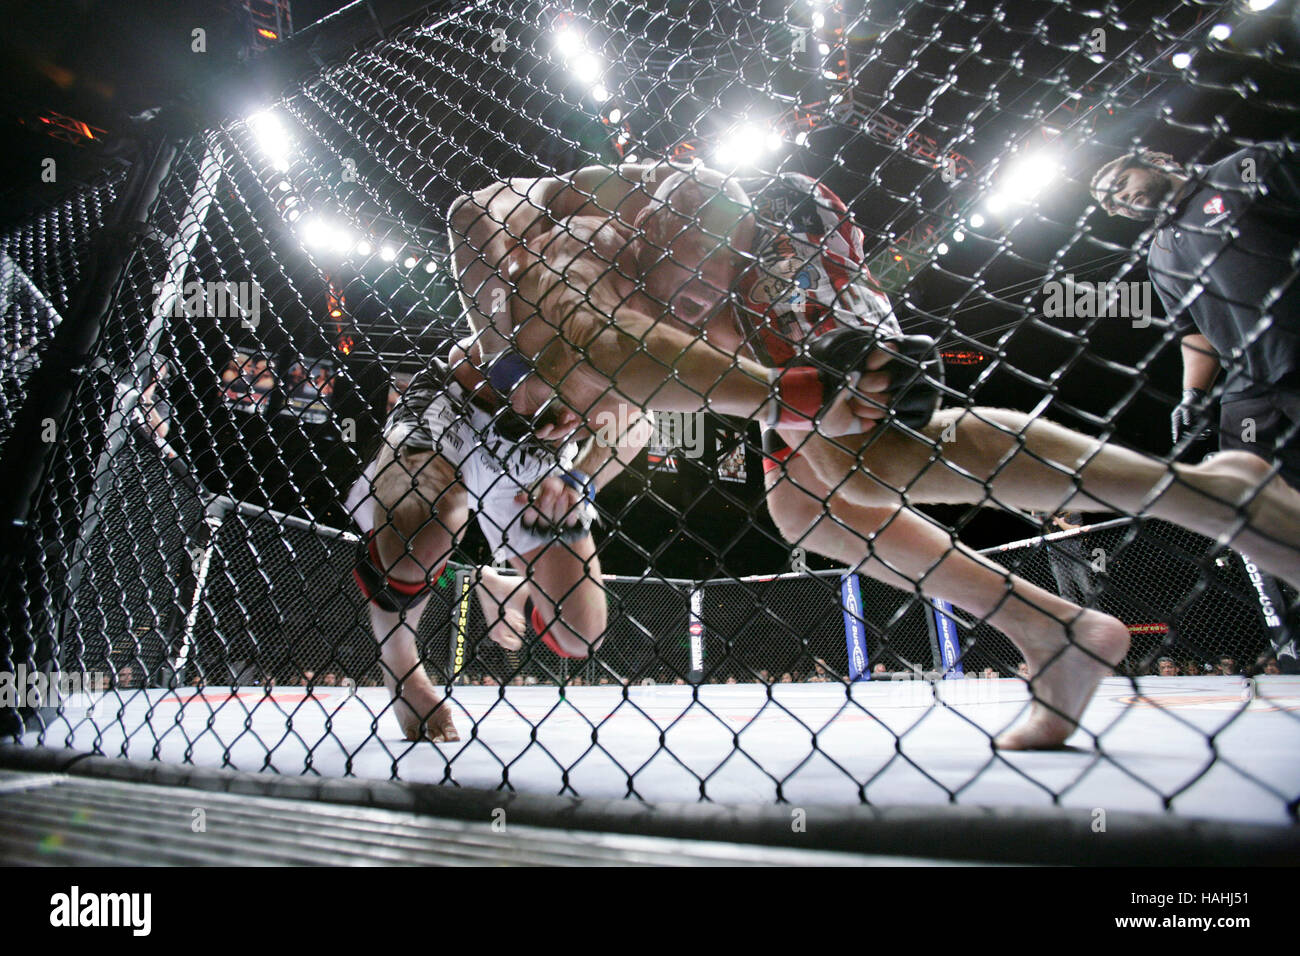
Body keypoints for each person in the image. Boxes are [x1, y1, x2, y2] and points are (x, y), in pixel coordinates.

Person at [452, 160, 1300, 748]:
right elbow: (608, 373)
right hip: (678, 292)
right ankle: (1053, 630)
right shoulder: (539, 295)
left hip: (766, 229)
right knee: (804, 506)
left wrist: (791, 388)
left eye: (724, 292)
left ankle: (1211, 494)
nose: (564, 433)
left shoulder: (564, 288)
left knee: (869, 460)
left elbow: (602, 353)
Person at [346, 333, 652, 743]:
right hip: (457, 409)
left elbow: (639, 422)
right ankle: (399, 658)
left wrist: (579, 480)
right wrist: (537, 388)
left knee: (580, 632)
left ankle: (509, 589)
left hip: (540, 456)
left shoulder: (660, 332)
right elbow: (469, 350)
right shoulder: (562, 282)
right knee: (418, 536)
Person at [1091, 143, 1300, 673]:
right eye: (1108, 205)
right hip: (1250, 387)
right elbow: (1194, 332)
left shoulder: (1241, 172)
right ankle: (1291, 641)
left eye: (1119, 186)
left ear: (1153, 158)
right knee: (1257, 505)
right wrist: (1192, 394)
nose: (1118, 204)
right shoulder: (1160, 251)